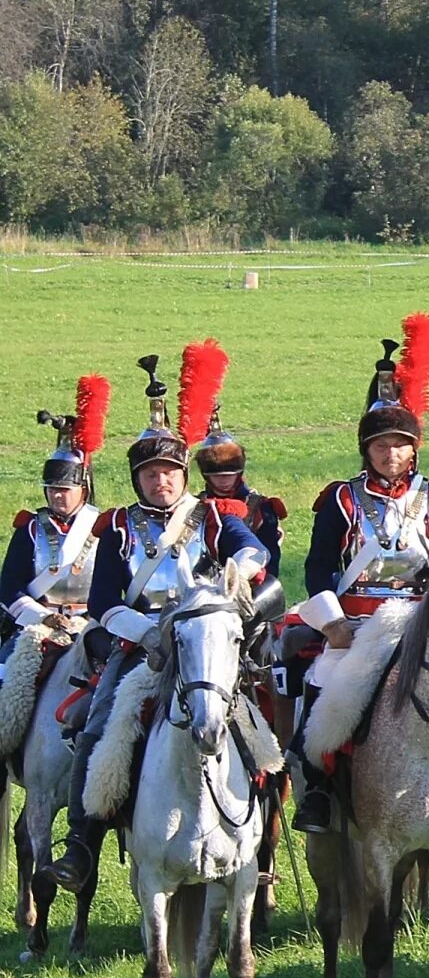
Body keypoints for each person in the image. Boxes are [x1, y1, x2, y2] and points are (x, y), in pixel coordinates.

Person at [45, 355, 268, 892]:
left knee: (258, 730)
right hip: (144, 642)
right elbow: (103, 600)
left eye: (168, 472)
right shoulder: (118, 524)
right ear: (137, 479)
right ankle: (83, 841)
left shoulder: (212, 516)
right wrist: (145, 634)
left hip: (206, 636)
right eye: (150, 473)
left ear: (182, 476)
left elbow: (252, 549)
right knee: (99, 726)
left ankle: (260, 836)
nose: (160, 481)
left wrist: (243, 573)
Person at [289, 316, 429, 834]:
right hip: (357, 622)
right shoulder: (340, 500)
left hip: (423, 618)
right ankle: (319, 787)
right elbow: (318, 566)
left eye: (400, 445)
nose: (391, 454)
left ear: (414, 448)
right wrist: (332, 624)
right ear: (366, 450)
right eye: (380, 445)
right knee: (323, 688)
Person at [1, 378, 108, 675]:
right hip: (38, 624)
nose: (58, 494)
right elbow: (9, 587)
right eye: (52, 488)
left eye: (65, 488)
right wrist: (42, 617)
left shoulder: (101, 527)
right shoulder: (30, 529)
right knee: (11, 677)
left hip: (90, 623)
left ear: (82, 490)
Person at [188, 346, 286, 583]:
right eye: (216, 475)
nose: (223, 479)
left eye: (228, 473)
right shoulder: (193, 507)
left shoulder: (261, 507)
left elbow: (271, 560)